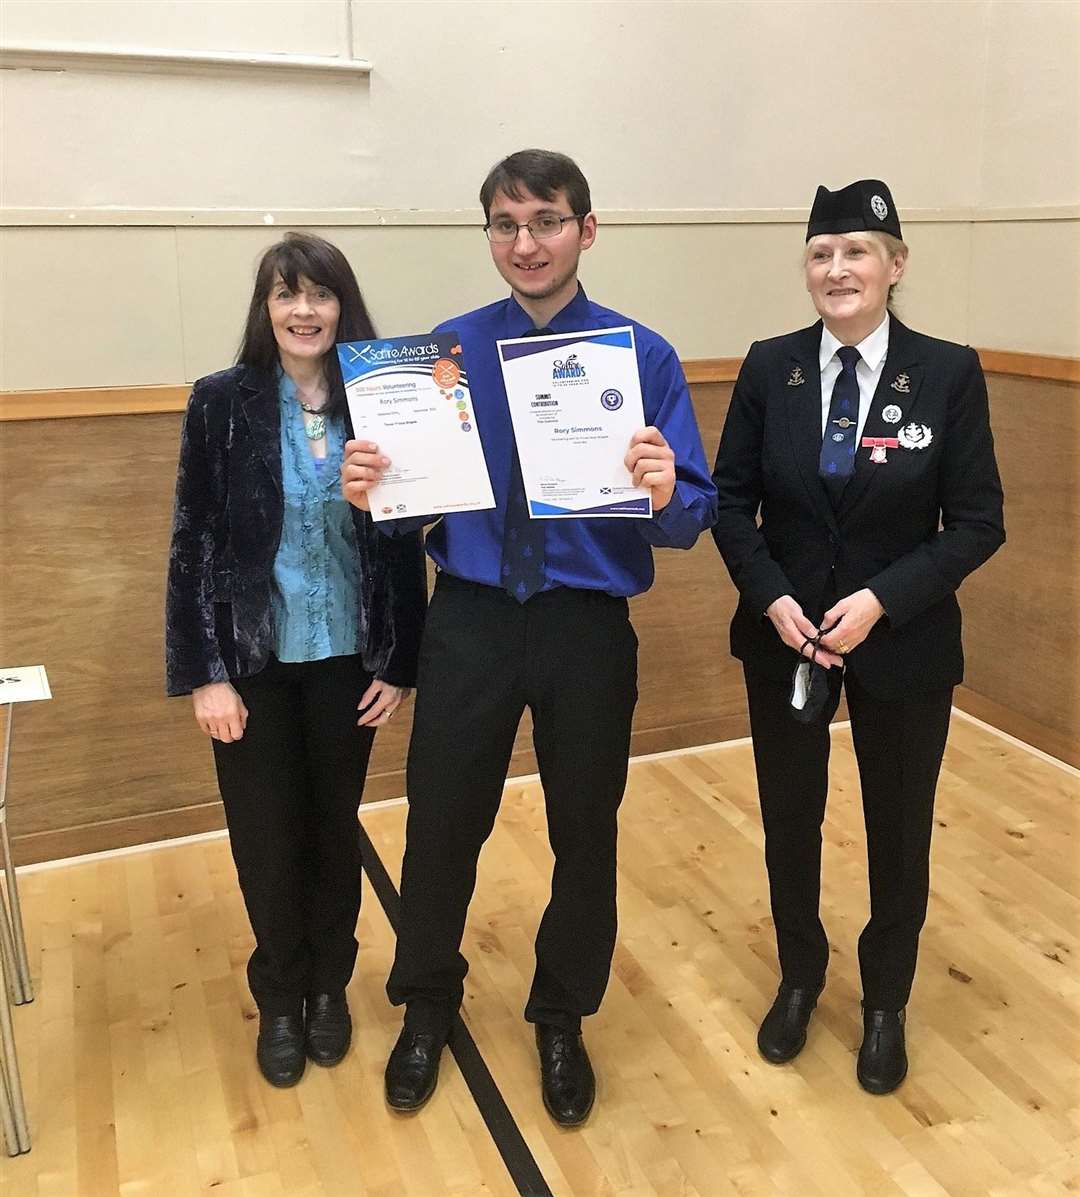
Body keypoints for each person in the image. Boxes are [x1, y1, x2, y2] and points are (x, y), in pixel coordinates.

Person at [342, 149, 717, 1124]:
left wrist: (666, 486)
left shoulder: (645, 357)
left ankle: (561, 1014)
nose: (526, 243)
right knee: (441, 824)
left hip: (586, 627)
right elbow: (399, 520)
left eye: (546, 221)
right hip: (468, 618)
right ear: (490, 237)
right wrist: (371, 492)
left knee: (584, 833)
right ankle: (426, 1003)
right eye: (506, 225)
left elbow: (687, 521)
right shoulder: (444, 356)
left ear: (586, 231)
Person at [711, 180, 1004, 1094]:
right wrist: (772, 600)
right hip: (787, 640)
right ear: (807, 270)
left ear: (896, 265)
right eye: (821, 253)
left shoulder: (948, 371)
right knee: (791, 822)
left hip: (903, 645)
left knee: (898, 825)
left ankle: (885, 999)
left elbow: (978, 520)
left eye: (858, 251)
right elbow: (729, 501)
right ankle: (801, 977)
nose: (838, 269)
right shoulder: (771, 367)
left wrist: (883, 598)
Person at [166, 232, 427, 1088]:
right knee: (266, 836)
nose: (304, 310)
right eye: (287, 295)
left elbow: (400, 542)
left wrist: (398, 660)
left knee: (332, 826)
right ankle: (279, 994)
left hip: (348, 660)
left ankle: (329, 988)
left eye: (320, 294)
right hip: (252, 665)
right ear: (266, 309)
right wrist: (206, 672)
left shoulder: (383, 402)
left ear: (343, 307)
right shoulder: (221, 403)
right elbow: (192, 545)